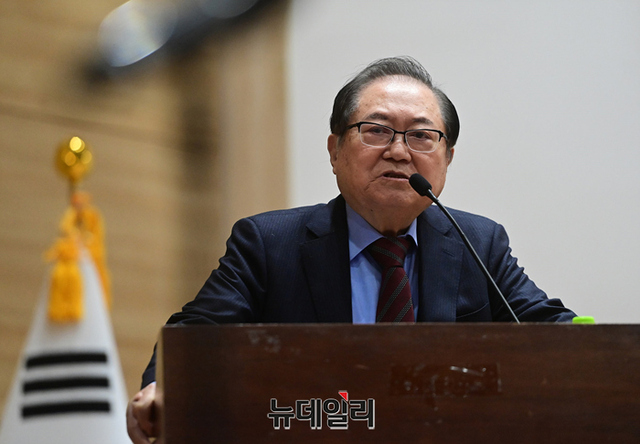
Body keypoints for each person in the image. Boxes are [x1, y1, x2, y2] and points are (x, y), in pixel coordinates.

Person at [126, 56, 576, 443]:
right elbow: (197, 333)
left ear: (447, 159)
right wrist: (162, 387)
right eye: (376, 131)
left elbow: (547, 328)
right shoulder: (268, 243)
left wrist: (597, 355)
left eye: (421, 136)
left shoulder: (478, 242)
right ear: (335, 150)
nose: (398, 151)